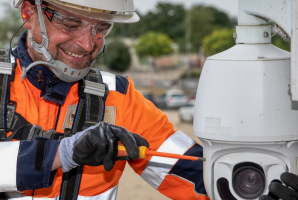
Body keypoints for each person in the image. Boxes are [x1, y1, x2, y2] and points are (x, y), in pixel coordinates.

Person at [0, 0, 209, 199]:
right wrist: (64, 152)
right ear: (28, 13)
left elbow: (192, 171)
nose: (88, 44)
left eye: (100, 28)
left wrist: (234, 171)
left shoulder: (117, 96)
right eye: (71, 25)